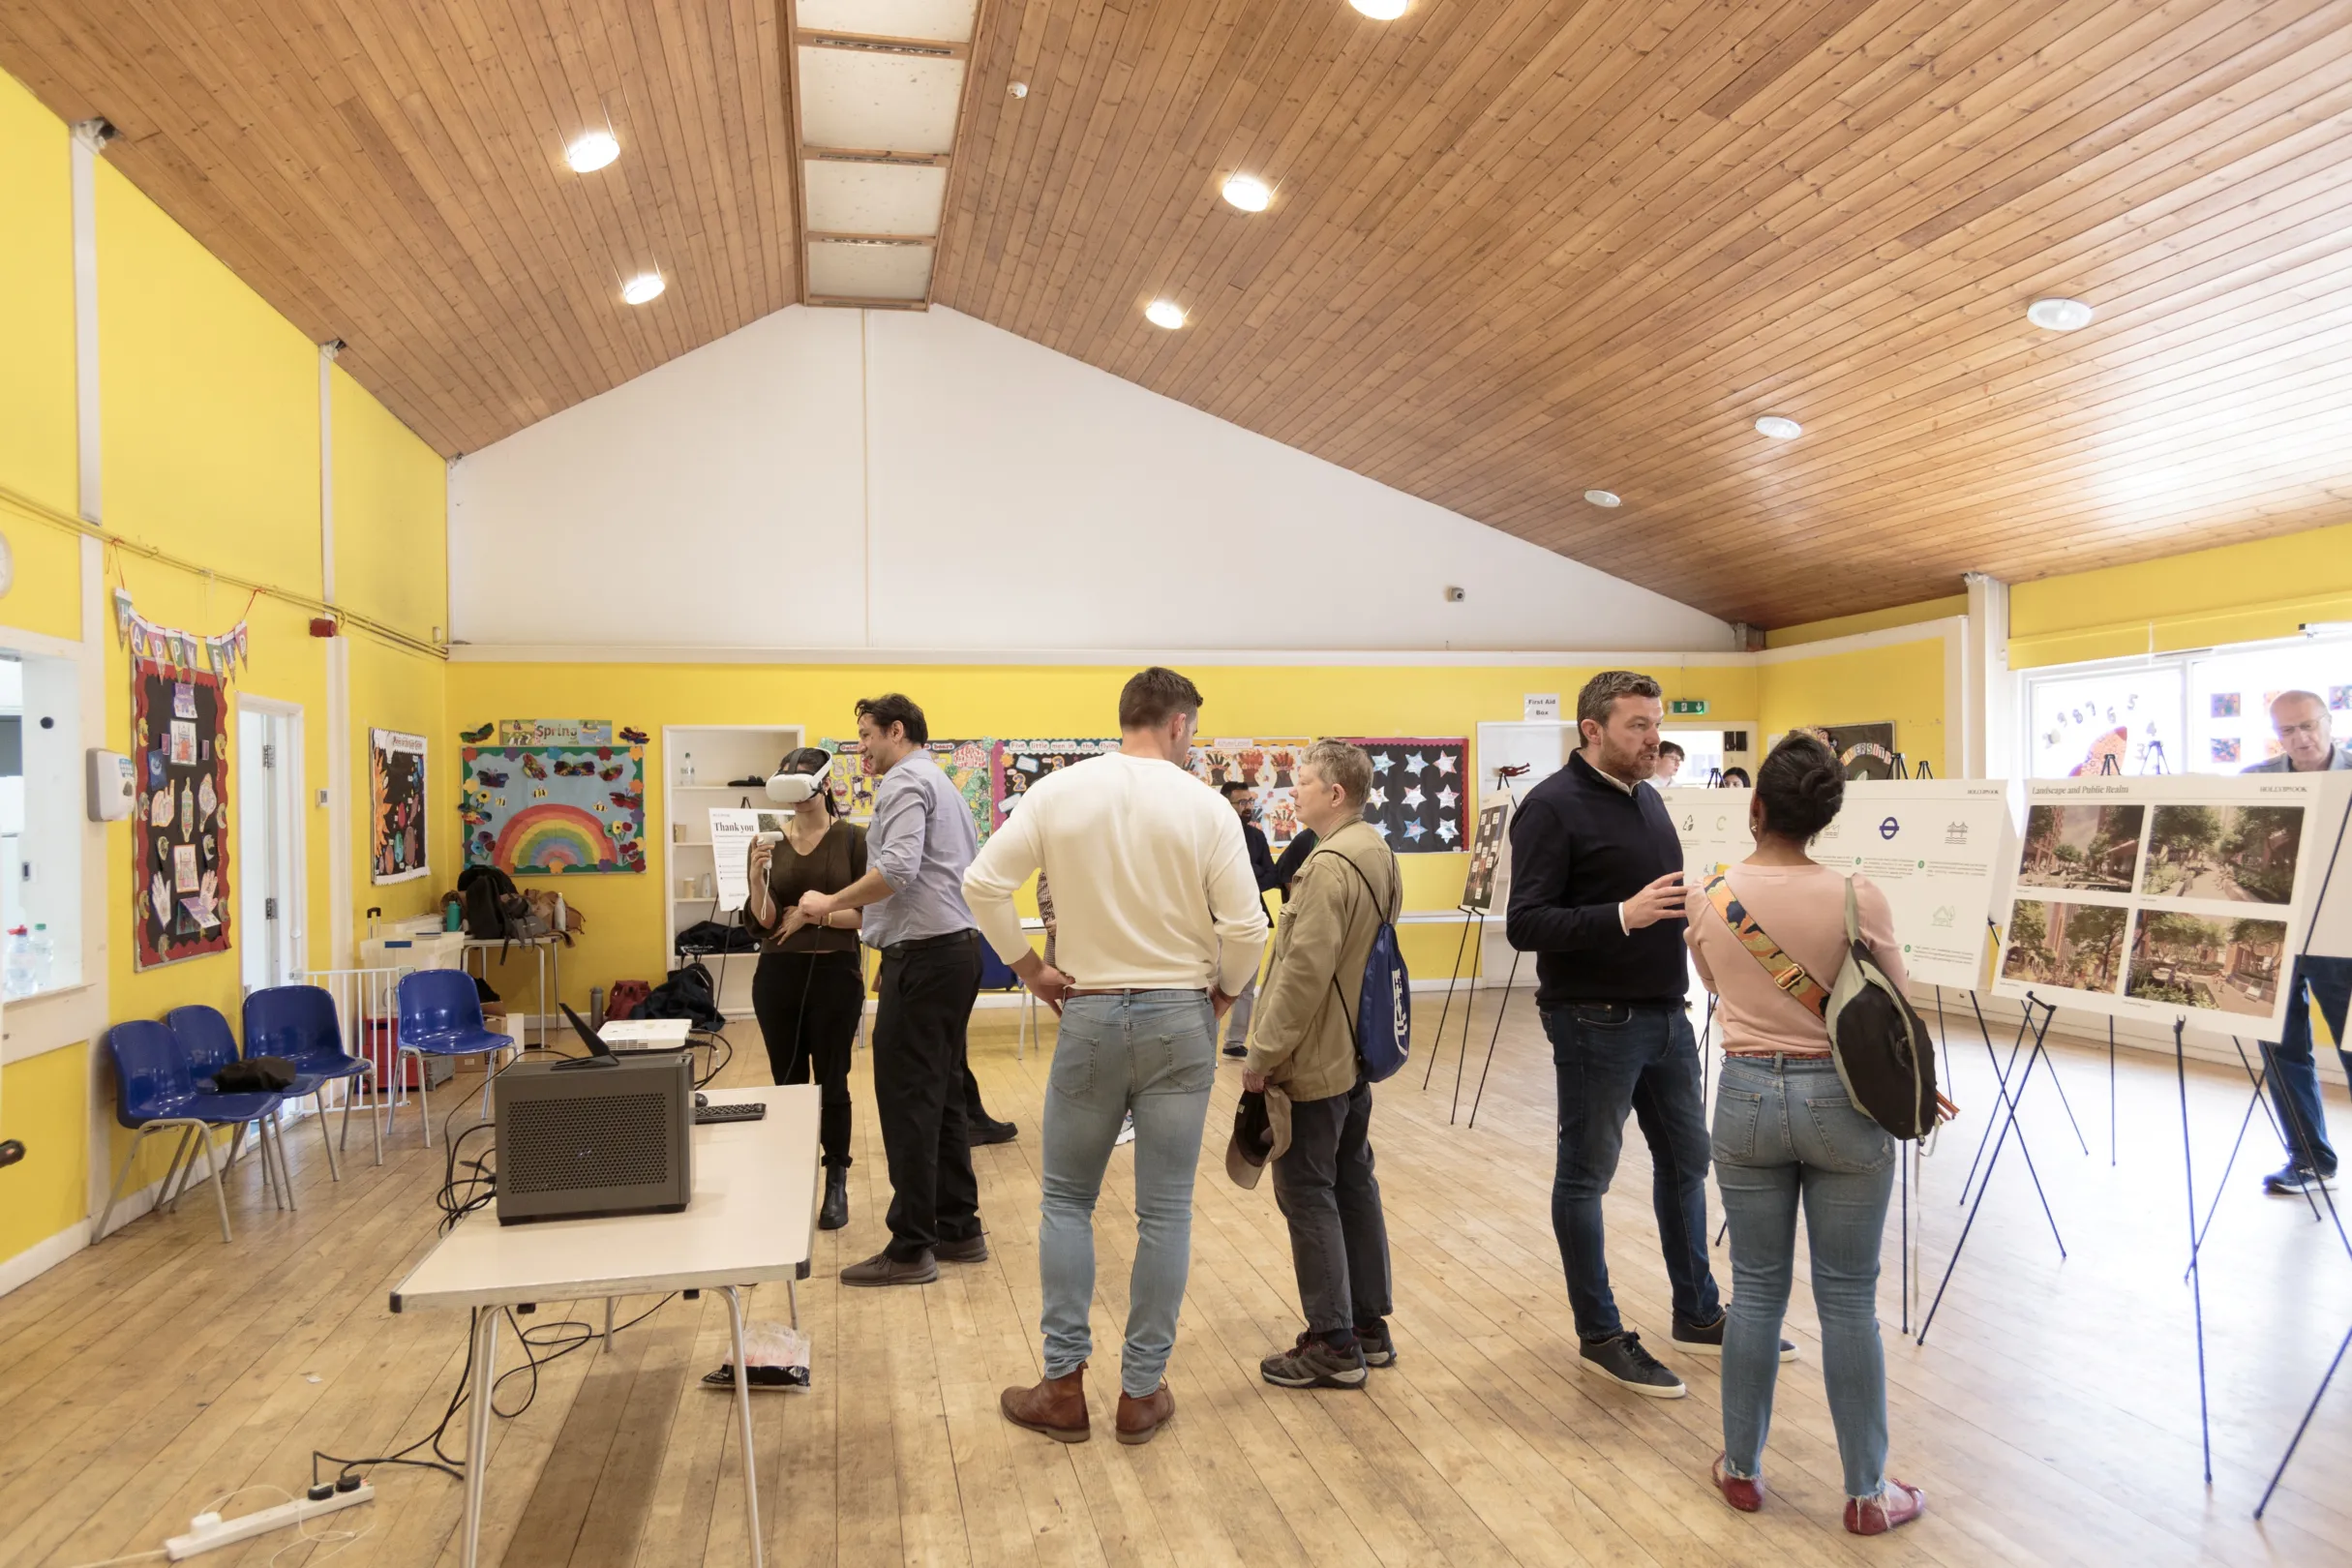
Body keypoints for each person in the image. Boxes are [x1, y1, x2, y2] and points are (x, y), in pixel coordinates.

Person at [967, 667, 1268, 1446]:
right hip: (1179, 1015)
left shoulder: (1059, 793)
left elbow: (982, 883)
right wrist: (1225, 996)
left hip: (1091, 1011)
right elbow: (1247, 931)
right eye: (1192, 730)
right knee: (1164, 1211)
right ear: (1177, 725)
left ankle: (1063, 1387)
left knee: (1067, 1201)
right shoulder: (1205, 806)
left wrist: (1030, 969)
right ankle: (1141, 1393)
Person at [1687, 732, 1946, 1536]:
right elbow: (1892, 1011)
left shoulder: (1711, 893)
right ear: (1825, 817)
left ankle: (1740, 1468)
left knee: (1757, 1291)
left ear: (1755, 806)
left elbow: (1713, 986)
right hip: (1843, 1104)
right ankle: (1868, 1494)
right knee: (1847, 1301)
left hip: (1745, 1096)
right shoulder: (1855, 896)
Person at [1505, 669, 1757, 1399]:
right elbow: (1526, 923)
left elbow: (1666, 903)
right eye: (1638, 726)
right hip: (1592, 1021)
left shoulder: (1649, 799)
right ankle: (1600, 1335)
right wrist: (1622, 915)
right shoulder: (1550, 808)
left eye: (1657, 723)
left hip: (1664, 1014)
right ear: (1593, 730)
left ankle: (1698, 1314)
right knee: (1585, 1178)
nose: (1655, 739)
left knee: (1687, 1163)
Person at [795, 694, 987, 1286]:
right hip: (954, 953)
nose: (861, 749)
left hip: (926, 960)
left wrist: (828, 901)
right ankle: (959, 1227)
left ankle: (910, 1248)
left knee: (909, 1099)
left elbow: (898, 869)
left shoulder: (904, 783)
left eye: (866, 736)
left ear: (896, 731)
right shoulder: (945, 785)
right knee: (946, 1094)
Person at [1242, 740, 1399, 1390]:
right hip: (1355, 1052)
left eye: (1304, 782)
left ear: (1336, 794)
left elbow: (1301, 974)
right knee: (1352, 1183)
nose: (1294, 791)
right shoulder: (1374, 851)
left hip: (1315, 1059)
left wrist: (1262, 1055)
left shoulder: (1329, 865)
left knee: (1306, 1190)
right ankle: (1368, 1326)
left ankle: (1333, 1342)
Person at [743, 747, 864, 1231]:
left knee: (832, 1081)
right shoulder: (768, 841)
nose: (795, 802)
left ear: (823, 786)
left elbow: (866, 914)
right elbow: (765, 919)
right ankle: (791, 1177)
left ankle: (836, 1178)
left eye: (802, 790)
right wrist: (755, 878)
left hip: (835, 975)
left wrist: (815, 912)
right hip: (778, 979)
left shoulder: (853, 840)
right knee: (788, 1082)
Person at [2246, 690, 2352, 1195]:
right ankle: (2310, 1158)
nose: (2300, 738)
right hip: (2276, 932)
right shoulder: (2255, 783)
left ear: (2330, 722)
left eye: (2308, 726)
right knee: (2282, 1047)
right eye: (2287, 731)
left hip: (2344, 933)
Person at [1218, 779, 1279, 1060]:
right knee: (1210, 983)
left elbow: (1272, 875)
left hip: (1253, 917)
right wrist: (1249, 873)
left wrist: (1245, 873)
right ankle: (1205, 1041)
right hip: (1215, 920)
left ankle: (1235, 1041)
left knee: (1245, 986)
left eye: (1250, 802)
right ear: (1226, 804)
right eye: (1242, 802)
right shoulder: (1214, 834)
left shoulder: (1256, 837)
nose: (1247, 807)